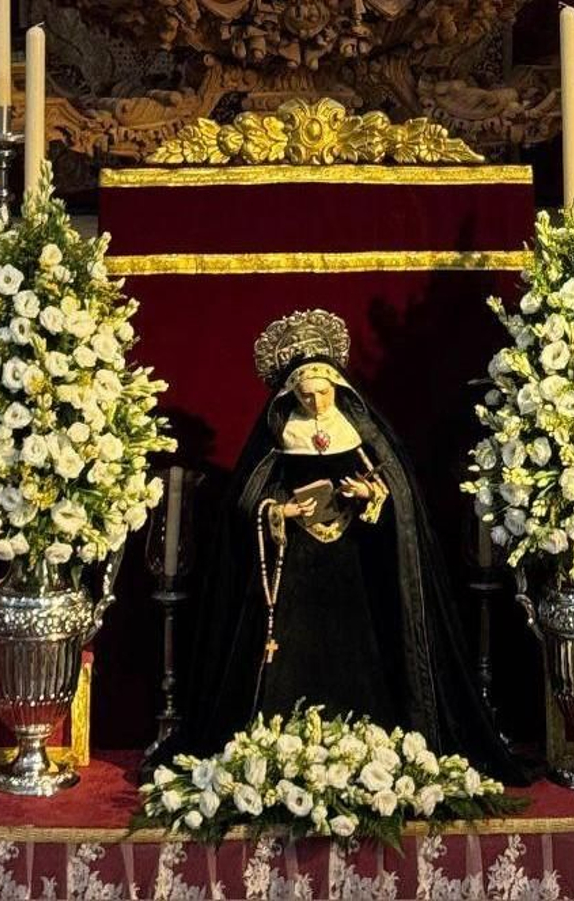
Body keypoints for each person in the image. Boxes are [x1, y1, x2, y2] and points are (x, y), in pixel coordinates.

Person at [179, 309, 523, 782]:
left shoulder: (357, 429)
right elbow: (250, 501)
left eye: (323, 392)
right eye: (305, 394)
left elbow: (396, 494)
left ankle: (370, 741)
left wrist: (370, 495)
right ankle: (282, 748)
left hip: (355, 569)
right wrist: (280, 512)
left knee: (361, 659)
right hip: (296, 571)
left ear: (338, 389)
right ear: (290, 395)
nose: (316, 402)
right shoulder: (282, 435)